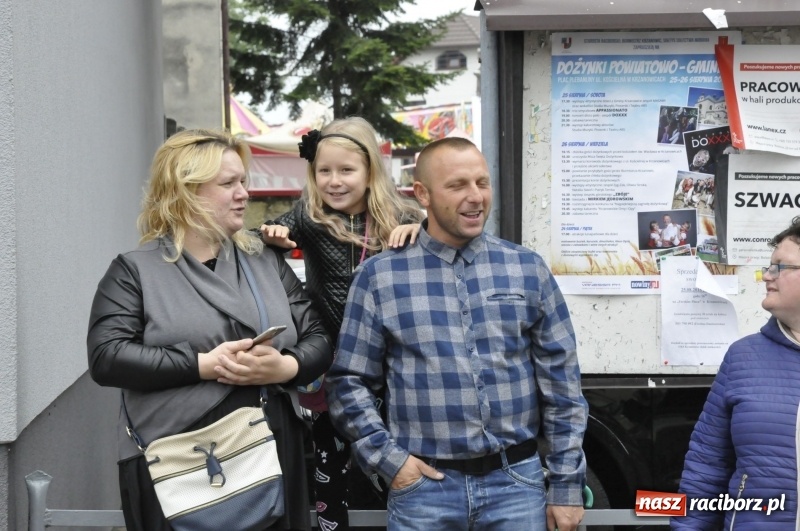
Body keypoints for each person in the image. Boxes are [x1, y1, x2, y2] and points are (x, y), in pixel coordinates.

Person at [326, 137, 589, 531]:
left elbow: (563, 387)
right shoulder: (381, 276)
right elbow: (349, 382)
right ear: (422, 194)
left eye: (482, 183)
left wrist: (566, 485)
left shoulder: (526, 269)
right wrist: (390, 462)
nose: (476, 197)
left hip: (516, 485)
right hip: (424, 491)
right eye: (457, 185)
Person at [87, 129, 332, 531]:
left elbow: (317, 336)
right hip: (187, 462)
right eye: (228, 184)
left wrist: (285, 368)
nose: (243, 194)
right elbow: (106, 356)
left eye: (243, 182)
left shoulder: (265, 261)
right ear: (185, 192)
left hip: (273, 450)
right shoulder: (134, 271)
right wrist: (203, 364)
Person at [260, 116, 424, 530]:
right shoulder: (310, 216)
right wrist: (271, 235)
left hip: (390, 363)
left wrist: (421, 227)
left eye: (346, 170)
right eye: (324, 171)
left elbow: (448, 235)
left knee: (395, 456)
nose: (334, 181)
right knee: (328, 465)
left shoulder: (401, 214)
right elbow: (251, 234)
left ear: (370, 171)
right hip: (331, 364)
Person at [673, 216, 800, 530]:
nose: (766, 276)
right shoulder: (744, 358)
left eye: (780, 267)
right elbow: (705, 466)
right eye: (768, 266)